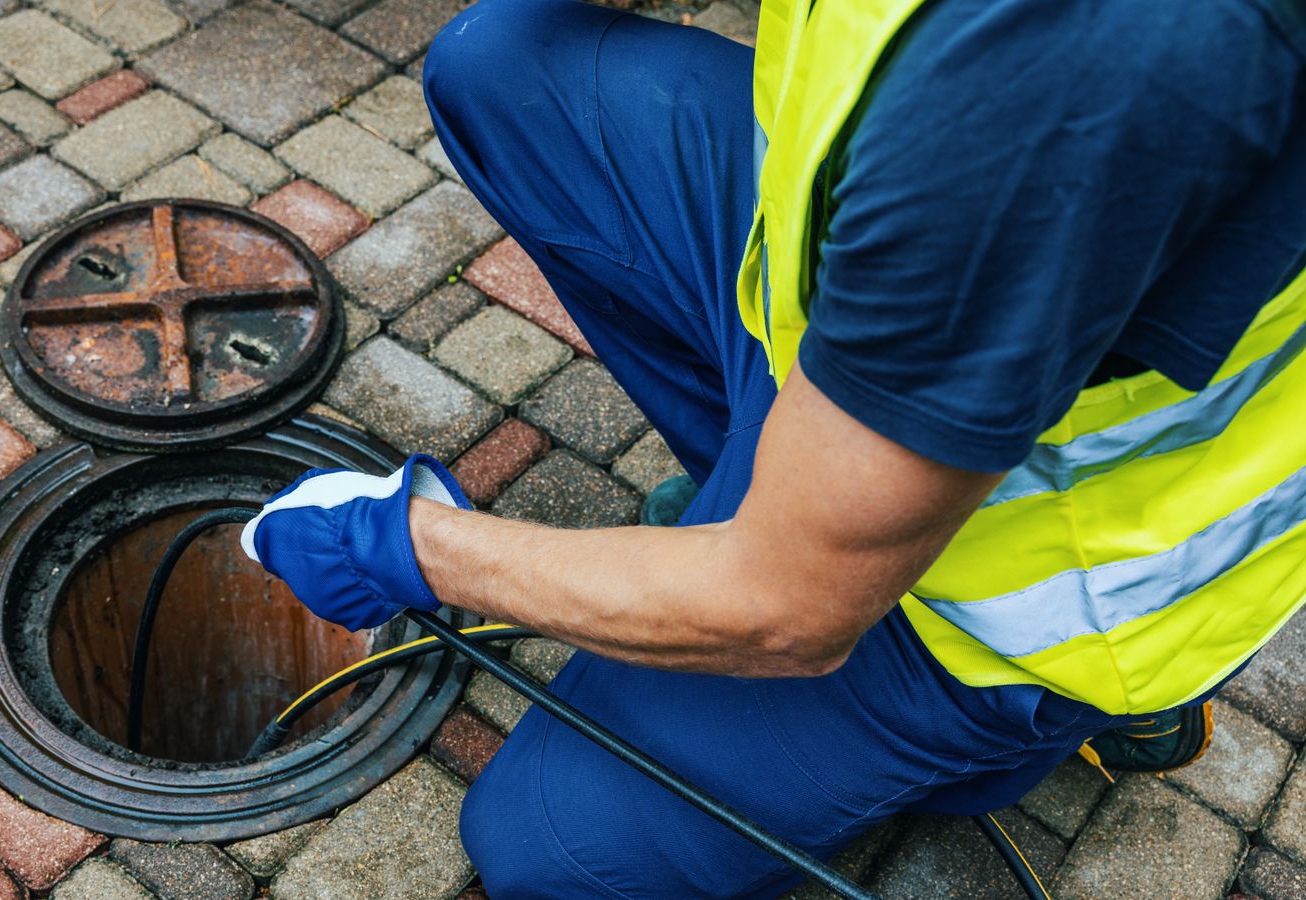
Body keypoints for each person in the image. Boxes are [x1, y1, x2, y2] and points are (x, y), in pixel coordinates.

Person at [240, 0, 1306, 895]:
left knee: (546, 848)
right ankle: (795, 496)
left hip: (1013, 591)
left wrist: (407, 548)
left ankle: (1027, 732)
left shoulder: (1068, 70)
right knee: (505, 66)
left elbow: (784, 613)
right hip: (886, 294)